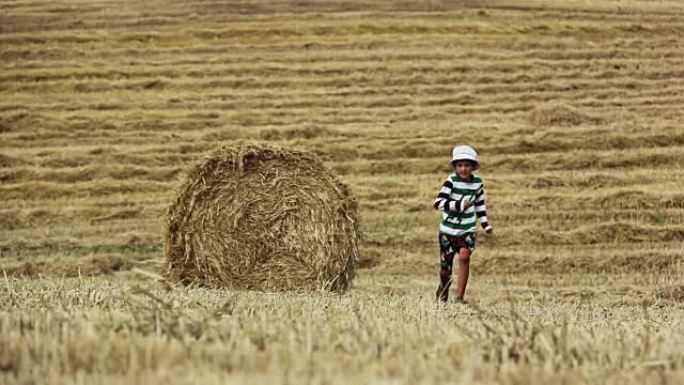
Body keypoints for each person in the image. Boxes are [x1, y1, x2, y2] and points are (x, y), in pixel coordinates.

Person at [433, 145, 493, 304]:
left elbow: (479, 204)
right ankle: (443, 291)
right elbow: (438, 203)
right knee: (445, 269)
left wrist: (485, 224)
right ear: (455, 167)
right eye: (460, 165)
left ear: (473, 166)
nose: (464, 169)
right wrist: (458, 205)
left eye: (467, 165)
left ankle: (459, 297)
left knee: (465, 257)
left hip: (467, 228)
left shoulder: (478, 183)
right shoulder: (451, 181)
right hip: (447, 230)